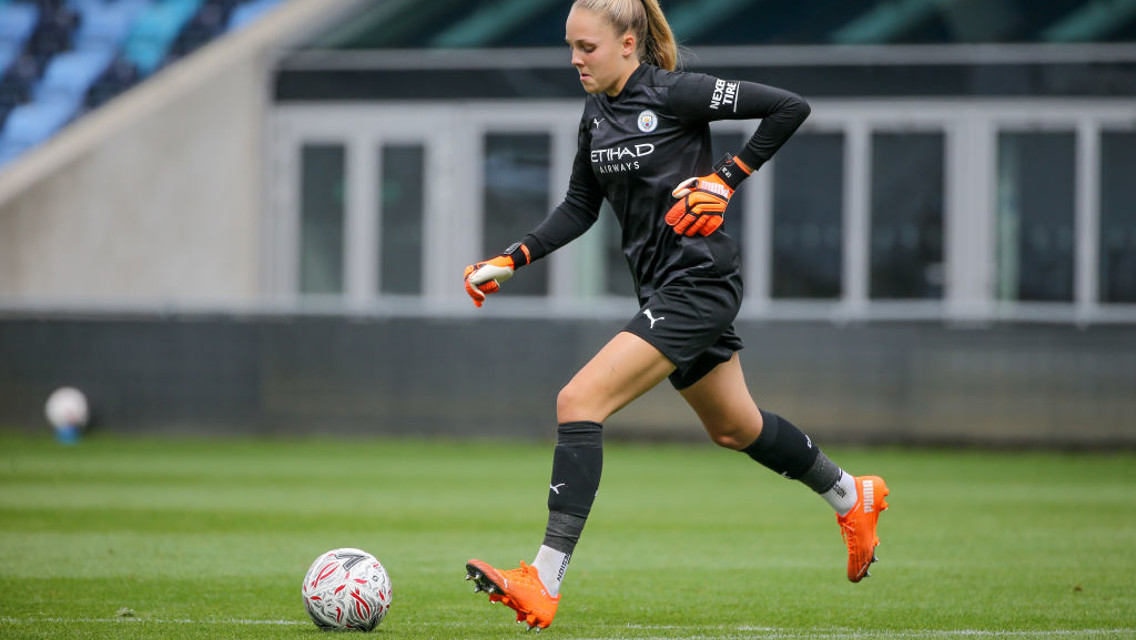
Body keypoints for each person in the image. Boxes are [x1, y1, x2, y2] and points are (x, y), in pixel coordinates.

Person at [461, 0, 889, 631]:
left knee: (579, 401)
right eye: (571, 46)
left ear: (628, 43)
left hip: (699, 284)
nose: (575, 59)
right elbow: (580, 206)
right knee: (735, 428)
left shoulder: (676, 92)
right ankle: (851, 494)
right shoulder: (595, 114)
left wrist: (726, 178)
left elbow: (788, 107)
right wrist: (513, 257)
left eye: (587, 47)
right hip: (664, 291)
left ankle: (543, 579)